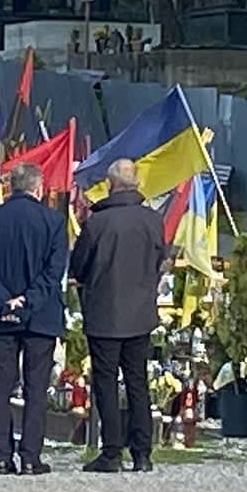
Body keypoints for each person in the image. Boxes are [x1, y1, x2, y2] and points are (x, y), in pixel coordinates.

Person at [0, 162, 66, 476]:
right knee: (36, 387)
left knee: (1, 384)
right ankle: (30, 457)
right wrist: (27, 301)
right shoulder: (53, 221)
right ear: (39, 189)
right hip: (40, 316)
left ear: (10, 188)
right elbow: (54, 272)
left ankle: (0, 456)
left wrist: (3, 301)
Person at [68, 159, 166, 473]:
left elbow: (79, 265)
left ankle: (111, 452)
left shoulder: (97, 223)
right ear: (136, 183)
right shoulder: (152, 220)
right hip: (139, 312)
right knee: (138, 383)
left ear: (110, 184)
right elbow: (158, 260)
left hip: (104, 313)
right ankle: (142, 454)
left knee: (106, 383)